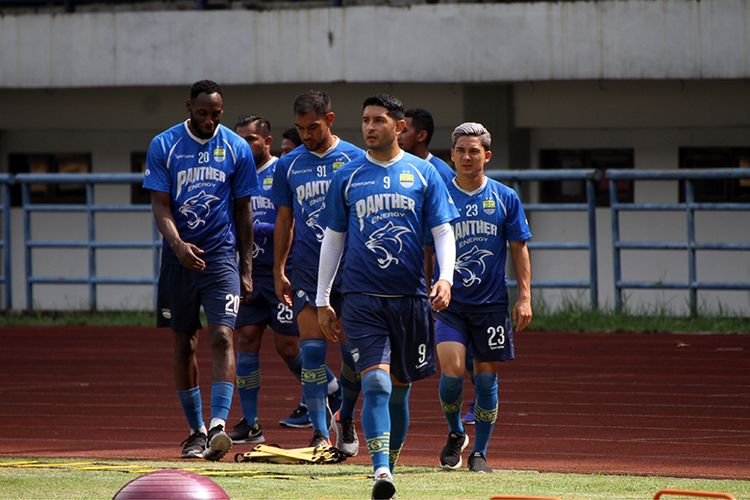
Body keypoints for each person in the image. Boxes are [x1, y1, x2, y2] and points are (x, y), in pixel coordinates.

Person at [316, 93, 458, 500]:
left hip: (411, 299)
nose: (369, 127)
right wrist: (324, 299)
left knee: (399, 387)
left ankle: (389, 464)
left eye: (378, 120)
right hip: (361, 298)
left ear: (399, 127)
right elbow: (334, 238)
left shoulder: (424, 174)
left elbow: (443, 232)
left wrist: (445, 278)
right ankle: (381, 472)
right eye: (365, 120)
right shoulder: (348, 175)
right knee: (375, 384)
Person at [143, 80, 258, 461]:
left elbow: (244, 209)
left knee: (224, 336)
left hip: (221, 257)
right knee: (184, 342)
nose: (210, 120)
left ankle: (219, 426)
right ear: (189, 107)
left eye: (217, 114)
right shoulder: (165, 144)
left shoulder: (236, 148)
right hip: (179, 260)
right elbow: (160, 205)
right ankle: (195, 431)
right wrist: (178, 246)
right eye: (204, 113)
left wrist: (246, 268)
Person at [434, 122, 532, 473]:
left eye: (474, 150)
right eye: (460, 150)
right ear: (452, 155)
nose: (466, 156)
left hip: (491, 305)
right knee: (452, 371)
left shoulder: (505, 197)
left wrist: (524, 297)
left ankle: (480, 452)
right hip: (450, 305)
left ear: (486, 156)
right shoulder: (440, 195)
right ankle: (455, 432)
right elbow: (428, 248)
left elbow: (519, 248)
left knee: (486, 379)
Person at [272, 90, 364, 455]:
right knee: (312, 354)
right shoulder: (289, 165)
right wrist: (279, 269)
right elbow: (284, 219)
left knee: (354, 357)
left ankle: (346, 418)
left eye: (313, 127)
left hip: (352, 271)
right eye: (300, 129)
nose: (307, 135)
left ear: (329, 119)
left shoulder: (357, 159)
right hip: (307, 270)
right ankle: (319, 431)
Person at [226, 115, 307, 443]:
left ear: (267, 141)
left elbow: (296, 220)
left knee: (288, 345)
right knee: (245, 338)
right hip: (248, 271)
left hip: (282, 271)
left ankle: (327, 390)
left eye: (251, 140)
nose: (244, 146)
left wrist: (261, 230)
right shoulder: (235, 174)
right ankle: (250, 422)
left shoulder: (283, 171)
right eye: (239, 140)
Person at [398, 108, 455, 185]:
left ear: (421, 135)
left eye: (404, 131)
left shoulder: (442, 173)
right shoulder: (395, 167)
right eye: (398, 130)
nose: (397, 136)